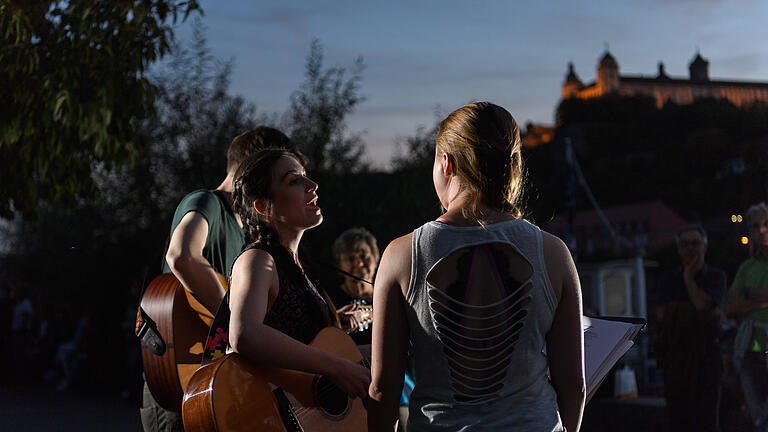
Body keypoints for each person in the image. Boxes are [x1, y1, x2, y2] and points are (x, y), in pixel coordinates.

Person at [367, 102, 585, 432]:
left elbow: (383, 388)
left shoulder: (401, 255)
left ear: (446, 163)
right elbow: (574, 385)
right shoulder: (553, 253)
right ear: (513, 164)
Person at [140, 127, 301, 432]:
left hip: (219, 386)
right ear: (253, 167)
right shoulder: (207, 202)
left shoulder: (252, 231)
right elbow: (183, 257)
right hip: (182, 375)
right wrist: (234, 319)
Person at [224, 148, 370, 400]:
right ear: (263, 206)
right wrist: (336, 366)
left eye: (306, 176)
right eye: (294, 180)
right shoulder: (258, 259)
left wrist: (332, 326)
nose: (312, 185)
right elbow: (244, 333)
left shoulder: (298, 266)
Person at [655, 224, 726, 432]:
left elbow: (705, 307)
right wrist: (700, 312)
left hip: (708, 359)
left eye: (694, 243)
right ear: (679, 249)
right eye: (685, 244)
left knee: (708, 422)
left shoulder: (716, 276)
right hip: (676, 361)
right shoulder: (668, 279)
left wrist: (688, 280)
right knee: (679, 421)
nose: (690, 249)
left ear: (705, 246)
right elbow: (662, 315)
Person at [725, 202, 768, 431]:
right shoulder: (747, 267)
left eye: (766, 224)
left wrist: (749, 294)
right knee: (757, 415)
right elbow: (730, 307)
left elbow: (738, 302)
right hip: (751, 347)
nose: (761, 230)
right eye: (756, 226)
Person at [328, 227, 380, 345]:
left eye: (363, 256)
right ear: (339, 266)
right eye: (350, 259)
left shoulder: (390, 296)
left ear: (376, 259)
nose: (359, 263)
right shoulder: (330, 300)